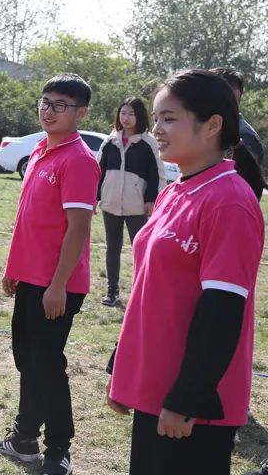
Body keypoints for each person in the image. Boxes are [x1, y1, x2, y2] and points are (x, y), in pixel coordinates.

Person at [107, 70, 265, 475]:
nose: (156, 129)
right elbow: (151, 290)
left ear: (212, 125)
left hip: (192, 402)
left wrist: (187, 397)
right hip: (157, 385)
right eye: (156, 118)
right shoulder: (176, 190)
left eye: (170, 119)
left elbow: (222, 309)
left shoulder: (229, 201)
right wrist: (126, 367)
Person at [0, 73, 100, 475]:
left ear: (80, 113)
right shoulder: (41, 150)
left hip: (59, 285)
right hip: (31, 279)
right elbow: (29, 221)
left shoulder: (80, 160)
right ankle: (23, 438)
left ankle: (58, 449)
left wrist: (57, 285)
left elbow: (78, 229)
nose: (48, 110)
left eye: (60, 105)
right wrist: (14, 268)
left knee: (47, 364)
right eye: (45, 102)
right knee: (27, 360)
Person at [96, 97, 166, 308]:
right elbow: (98, 171)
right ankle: (112, 291)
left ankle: (141, 290)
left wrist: (152, 200)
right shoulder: (110, 141)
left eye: (131, 114)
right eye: (123, 113)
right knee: (112, 248)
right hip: (110, 204)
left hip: (137, 206)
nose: (126, 118)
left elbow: (157, 174)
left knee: (141, 249)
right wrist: (94, 197)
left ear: (139, 117)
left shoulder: (149, 143)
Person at [210, 67, 264, 199]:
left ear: (235, 95)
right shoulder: (219, 130)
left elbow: (246, 190)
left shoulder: (244, 136)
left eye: (211, 92)